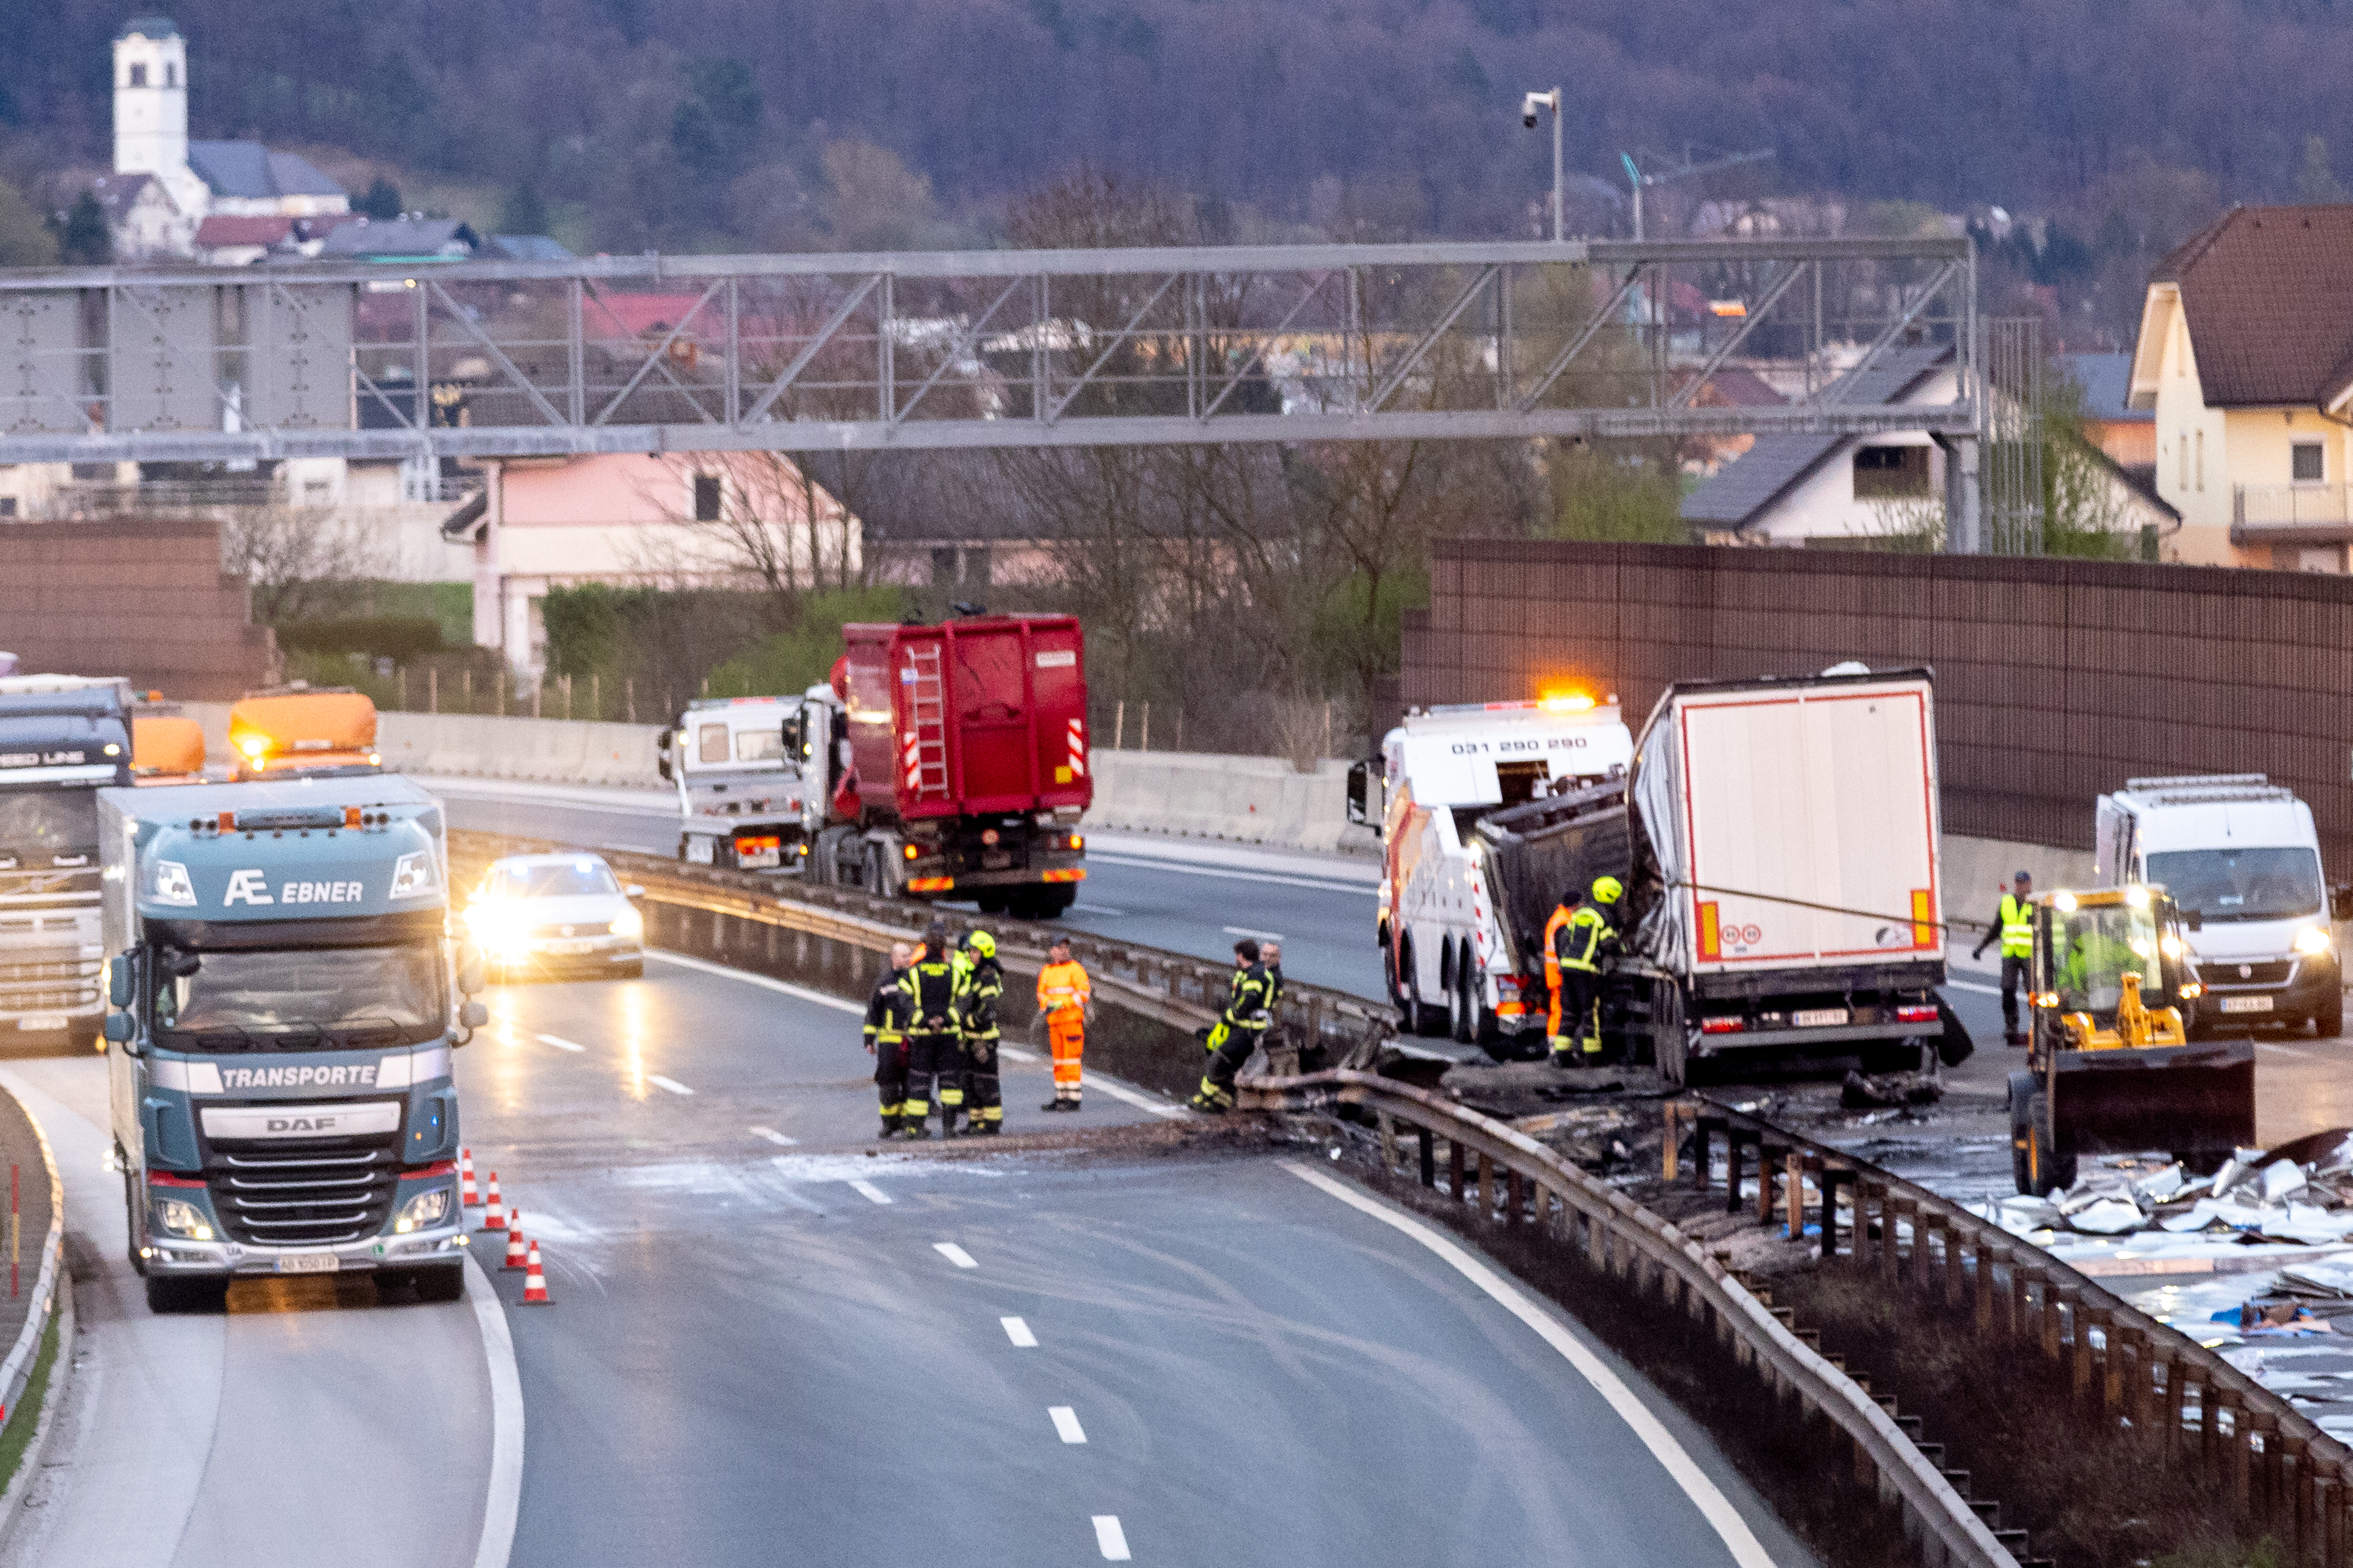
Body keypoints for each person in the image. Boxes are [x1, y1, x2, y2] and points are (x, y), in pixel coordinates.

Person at [1191, 938, 1274, 1113]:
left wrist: (1229, 1016)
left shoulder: (1257, 975)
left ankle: (1210, 1099)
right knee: (1226, 1065)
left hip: (1250, 1032)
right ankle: (1220, 1103)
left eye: (1237, 955)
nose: (1235, 959)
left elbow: (1247, 1001)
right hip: (1241, 1029)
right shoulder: (1249, 972)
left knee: (1219, 1060)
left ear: (1241, 956)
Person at [1546, 876, 1621, 1067]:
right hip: (1585, 971)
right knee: (1590, 1013)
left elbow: (1564, 939)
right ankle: (1593, 1058)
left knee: (1569, 1013)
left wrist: (1565, 961)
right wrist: (1622, 949)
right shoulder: (1604, 916)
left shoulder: (1580, 915)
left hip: (1567, 969)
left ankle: (1563, 1056)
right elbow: (1608, 943)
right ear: (1611, 896)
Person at [900, 919, 963, 1138]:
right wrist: (946, 1020)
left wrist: (924, 1021)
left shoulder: (914, 973)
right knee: (950, 1084)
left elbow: (905, 999)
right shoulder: (954, 973)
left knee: (919, 1081)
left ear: (925, 947)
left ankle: (915, 1128)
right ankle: (949, 1128)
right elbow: (965, 1000)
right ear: (944, 949)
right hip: (948, 1037)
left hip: (923, 1037)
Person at [1970, 871, 2035, 1046]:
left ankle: (2037, 1026)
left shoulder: (2035, 904)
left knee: (2033, 992)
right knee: (2007, 990)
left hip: (2029, 955)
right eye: (2018, 883)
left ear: (2030, 885)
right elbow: (1996, 928)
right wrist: (1981, 948)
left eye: (2024, 883)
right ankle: (2011, 1027)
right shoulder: (2006, 902)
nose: (2021, 886)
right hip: (2010, 954)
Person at [862, 942, 917, 1139]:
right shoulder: (884, 982)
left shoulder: (915, 980)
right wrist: (869, 1039)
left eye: (909, 956)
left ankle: (907, 1121)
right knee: (888, 1083)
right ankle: (889, 1123)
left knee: (911, 1082)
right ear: (893, 958)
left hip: (910, 1041)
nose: (907, 959)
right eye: (903, 956)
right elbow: (873, 1011)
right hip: (889, 1042)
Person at [958, 929, 1005, 1135]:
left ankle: (992, 1123)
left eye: (975, 951)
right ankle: (976, 1122)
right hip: (970, 1038)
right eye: (970, 951)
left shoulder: (988, 977)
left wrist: (967, 1021)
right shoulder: (974, 974)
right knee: (970, 1082)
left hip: (984, 1039)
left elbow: (986, 1010)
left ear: (984, 952)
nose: (970, 955)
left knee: (986, 1082)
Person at [1036, 936, 1091, 1111]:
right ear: (1052, 951)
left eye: (1065, 947)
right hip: (1055, 1022)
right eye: (1060, 947)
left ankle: (1074, 1099)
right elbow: (1041, 994)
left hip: (1071, 1021)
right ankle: (1061, 1097)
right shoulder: (1047, 971)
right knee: (1059, 1061)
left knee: (1071, 1060)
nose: (1064, 950)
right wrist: (1047, 1005)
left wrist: (1063, 1004)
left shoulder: (1076, 970)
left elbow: (1084, 994)